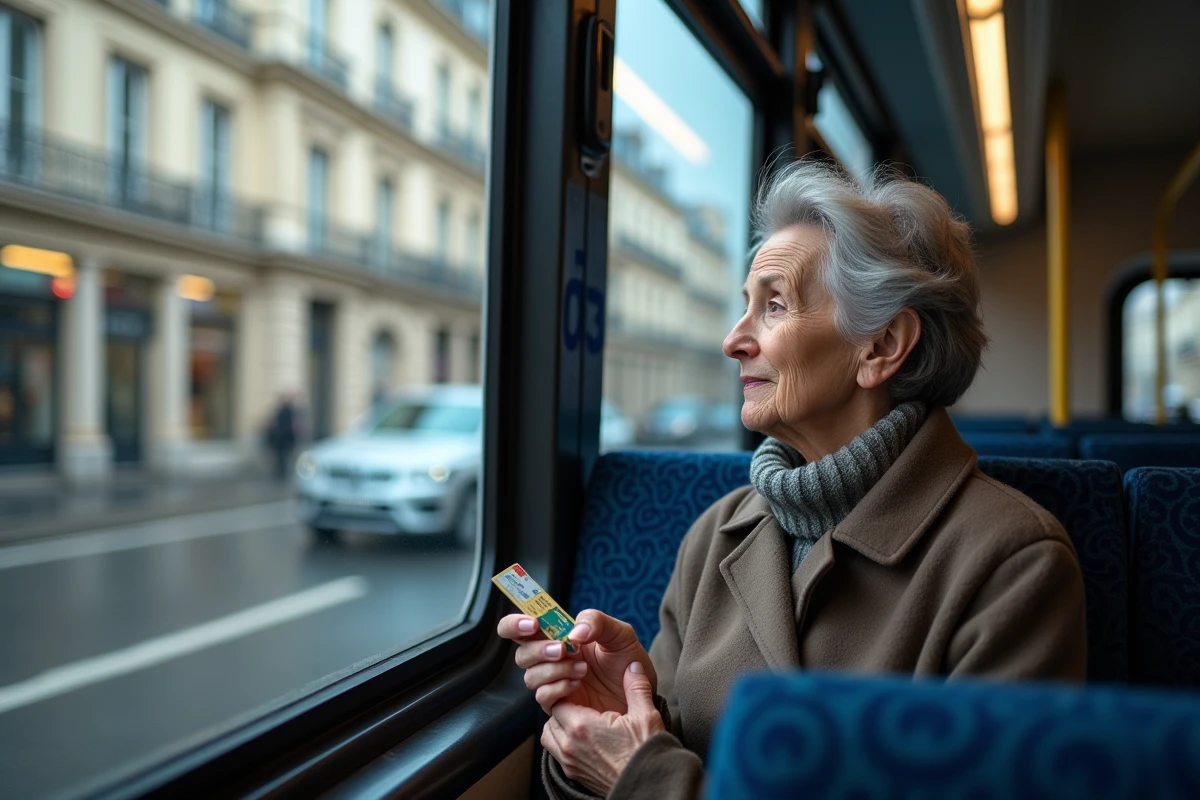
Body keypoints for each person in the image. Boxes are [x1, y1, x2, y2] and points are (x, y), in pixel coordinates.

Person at [497, 161, 1088, 799]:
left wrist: (641, 781)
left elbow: (656, 777)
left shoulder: (1015, 563)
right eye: (744, 307)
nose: (732, 341)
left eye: (773, 307)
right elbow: (660, 751)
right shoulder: (717, 532)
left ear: (882, 345)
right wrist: (610, 726)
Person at [266, 393, 300, 480]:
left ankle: (282, 472)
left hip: (284, 438)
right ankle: (282, 472)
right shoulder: (286, 412)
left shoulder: (286, 412)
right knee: (282, 457)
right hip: (283, 438)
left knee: (283, 457)